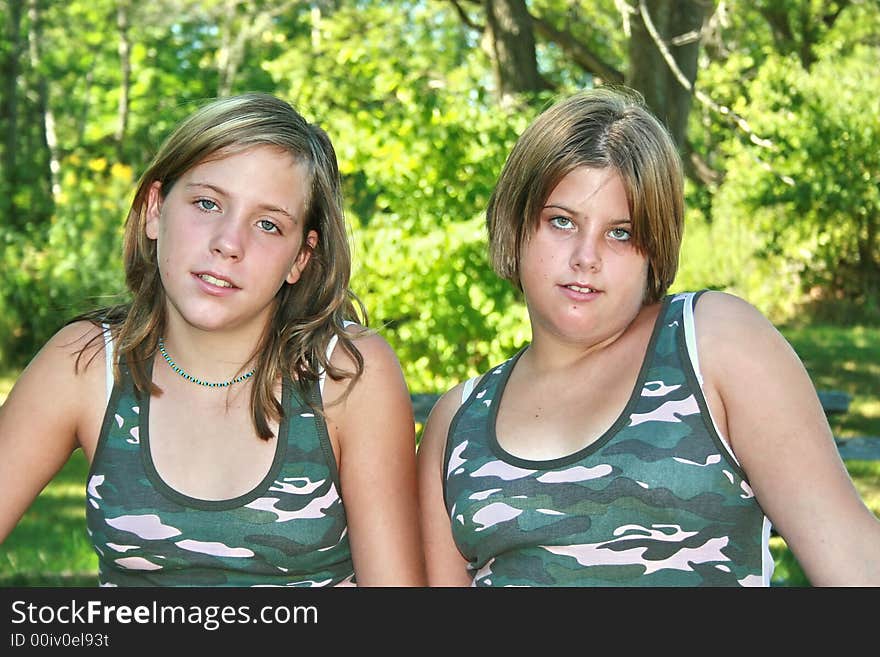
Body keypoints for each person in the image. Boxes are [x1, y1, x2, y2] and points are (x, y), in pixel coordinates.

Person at [417, 86, 880, 587]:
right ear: (516, 224)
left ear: (653, 249)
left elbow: (855, 560)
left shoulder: (713, 343)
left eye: (621, 233)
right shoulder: (457, 423)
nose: (586, 257)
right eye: (562, 221)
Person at [0, 93, 425, 586]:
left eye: (268, 224)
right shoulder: (87, 363)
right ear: (154, 210)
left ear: (299, 259)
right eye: (207, 203)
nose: (228, 243)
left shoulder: (347, 374)